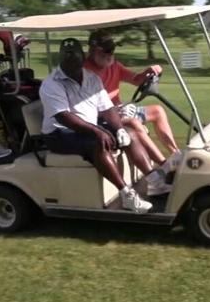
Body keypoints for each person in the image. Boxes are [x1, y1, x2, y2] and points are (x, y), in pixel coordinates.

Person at [39, 38, 169, 213]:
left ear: (82, 58)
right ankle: (127, 196)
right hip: (58, 134)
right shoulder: (51, 84)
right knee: (99, 143)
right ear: (61, 60)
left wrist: (119, 129)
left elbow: (107, 108)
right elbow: (64, 117)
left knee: (130, 133)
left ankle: (155, 181)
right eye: (67, 60)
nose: (72, 65)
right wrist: (97, 131)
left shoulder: (91, 78)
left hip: (86, 127)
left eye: (76, 60)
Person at [84, 31, 180, 165]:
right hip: (102, 118)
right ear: (92, 50)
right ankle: (164, 165)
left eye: (111, 50)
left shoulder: (114, 65)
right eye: (105, 51)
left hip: (121, 111)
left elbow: (136, 79)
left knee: (157, 111)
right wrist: (116, 112)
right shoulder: (84, 72)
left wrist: (148, 72)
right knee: (134, 123)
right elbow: (85, 106)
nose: (109, 55)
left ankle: (176, 155)